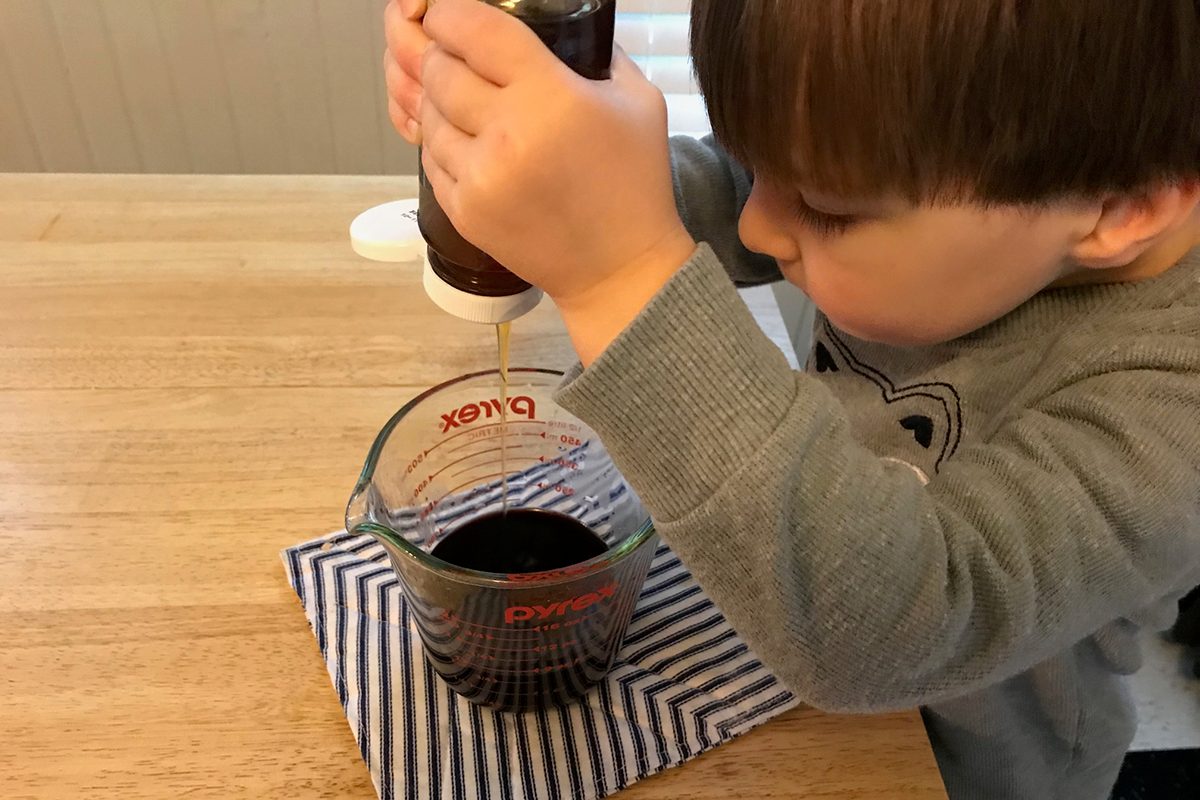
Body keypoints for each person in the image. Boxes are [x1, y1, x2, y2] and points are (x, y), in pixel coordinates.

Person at [383, 1, 1200, 797]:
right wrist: (558, 183)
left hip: (966, 766)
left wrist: (618, 276)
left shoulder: (1172, 410)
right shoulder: (990, 183)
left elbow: (900, 624)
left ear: (1122, 204)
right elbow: (740, 189)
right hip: (791, 623)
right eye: (761, 166)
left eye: (826, 208)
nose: (758, 228)